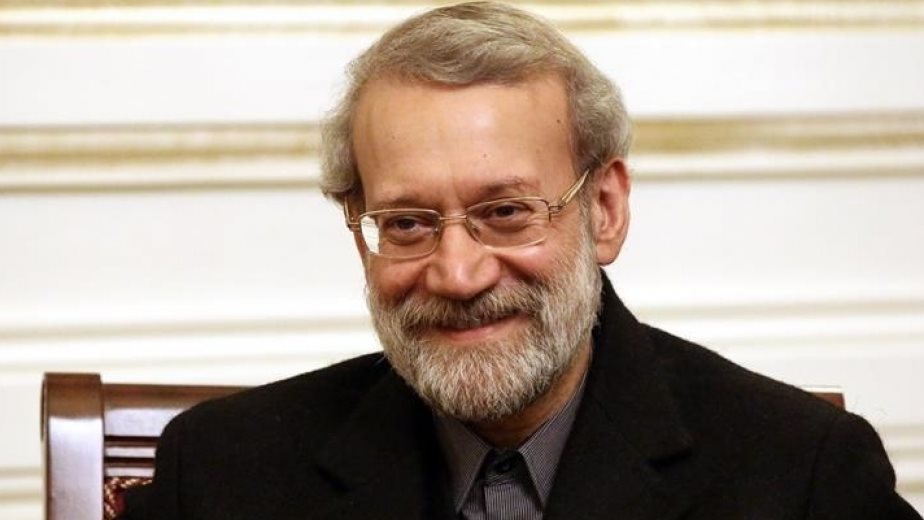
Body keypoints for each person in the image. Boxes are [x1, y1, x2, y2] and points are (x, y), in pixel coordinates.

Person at [121, 2, 921, 519]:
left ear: (604, 210)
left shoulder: (802, 477)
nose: (458, 274)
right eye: (408, 223)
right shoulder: (221, 476)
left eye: (506, 213)